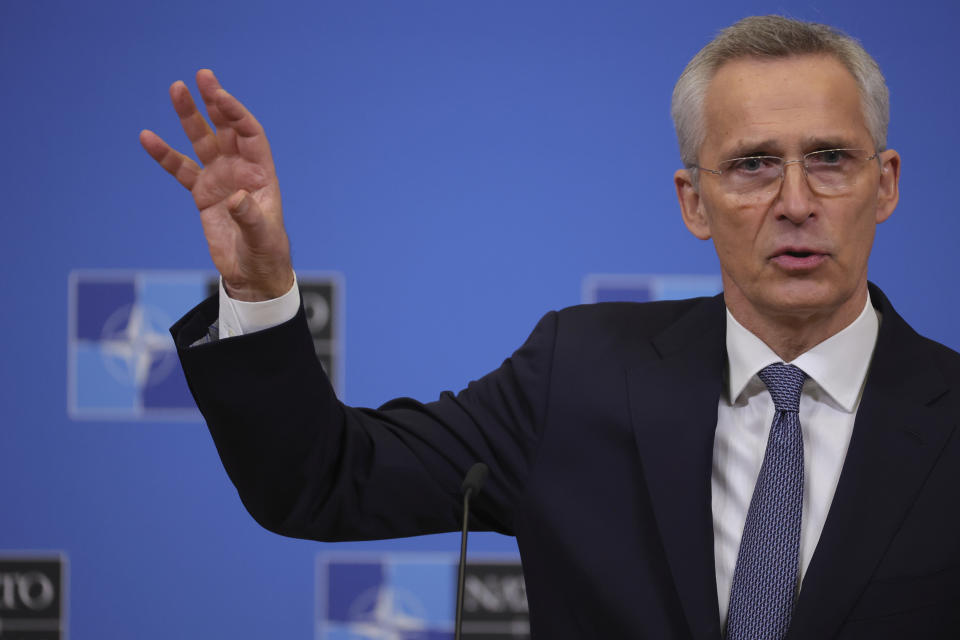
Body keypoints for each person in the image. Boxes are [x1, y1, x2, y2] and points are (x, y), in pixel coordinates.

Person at [141, 15, 960, 639]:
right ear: (693, 203)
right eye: (752, 164)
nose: (794, 201)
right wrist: (256, 281)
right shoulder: (580, 373)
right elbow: (321, 482)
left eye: (828, 158)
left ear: (883, 185)